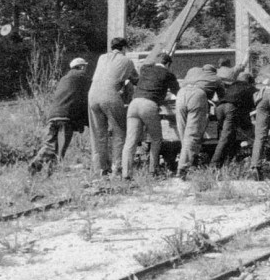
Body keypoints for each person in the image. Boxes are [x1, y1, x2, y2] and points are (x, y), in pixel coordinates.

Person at [121, 52, 179, 178]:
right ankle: (153, 170)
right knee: (156, 139)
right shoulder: (168, 74)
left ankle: (126, 173)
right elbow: (177, 91)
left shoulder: (145, 69)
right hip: (149, 105)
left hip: (134, 104)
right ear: (168, 64)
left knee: (130, 140)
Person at [88, 37, 139, 177]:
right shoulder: (127, 61)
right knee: (119, 131)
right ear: (124, 48)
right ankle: (117, 167)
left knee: (98, 133)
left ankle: (100, 169)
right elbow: (136, 80)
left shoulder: (102, 58)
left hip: (92, 95)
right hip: (110, 95)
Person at [29, 57, 90, 173]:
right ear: (81, 67)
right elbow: (87, 98)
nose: (85, 69)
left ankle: (34, 168)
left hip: (52, 116)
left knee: (49, 146)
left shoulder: (64, 79)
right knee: (60, 150)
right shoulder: (81, 77)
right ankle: (51, 172)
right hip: (65, 119)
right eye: (85, 67)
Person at [174, 63, 224, 178]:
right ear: (214, 71)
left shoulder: (192, 70)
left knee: (183, 130)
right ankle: (183, 168)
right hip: (197, 95)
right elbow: (222, 98)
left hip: (181, 94)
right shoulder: (216, 78)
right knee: (192, 134)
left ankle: (189, 160)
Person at [211, 70, 255, 167]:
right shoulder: (249, 87)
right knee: (225, 138)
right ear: (250, 81)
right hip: (230, 108)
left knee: (230, 137)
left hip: (220, 108)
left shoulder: (232, 86)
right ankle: (213, 166)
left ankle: (227, 163)